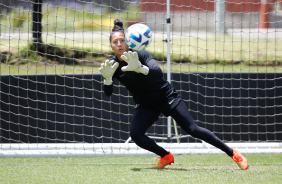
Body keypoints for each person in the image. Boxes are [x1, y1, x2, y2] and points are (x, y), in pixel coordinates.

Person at [98, 19, 249, 170]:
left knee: (193, 130)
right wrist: (108, 79)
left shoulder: (141, 54)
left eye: (122, 40)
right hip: (146, 104)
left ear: (128, 41)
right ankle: (165, 156)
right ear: (111, 45)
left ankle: (233, 153)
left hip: (166, 97)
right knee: (136, 135)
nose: (119, 44)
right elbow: (108, 93)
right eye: (115, 42)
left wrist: (140, 68)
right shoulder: (112, 66)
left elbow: (158, 73)